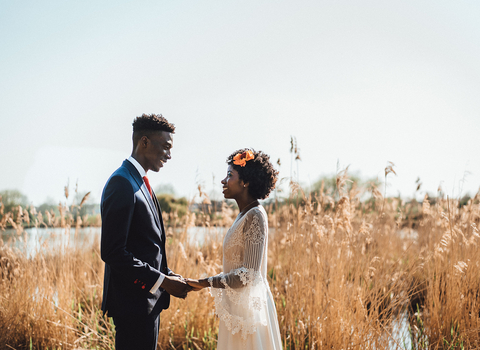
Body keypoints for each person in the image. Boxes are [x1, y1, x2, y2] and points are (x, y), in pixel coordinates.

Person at [100, 114, 191, 350]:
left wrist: (169, 275)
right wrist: (162, 281)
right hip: (132, 307)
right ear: (144, 142)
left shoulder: (139, 181)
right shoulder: (121, 183)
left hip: (147, 304)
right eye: (166, 147)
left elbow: (145, 246)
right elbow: (113, 252)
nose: (169, 155)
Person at [186, 149, 283, 349]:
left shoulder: (255, 215)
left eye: (230, 175)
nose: (223, 180)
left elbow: (250, 274)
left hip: (249, 316)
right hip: (237, 311)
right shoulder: (243, 215)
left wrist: (205, 282)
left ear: (245, 182)